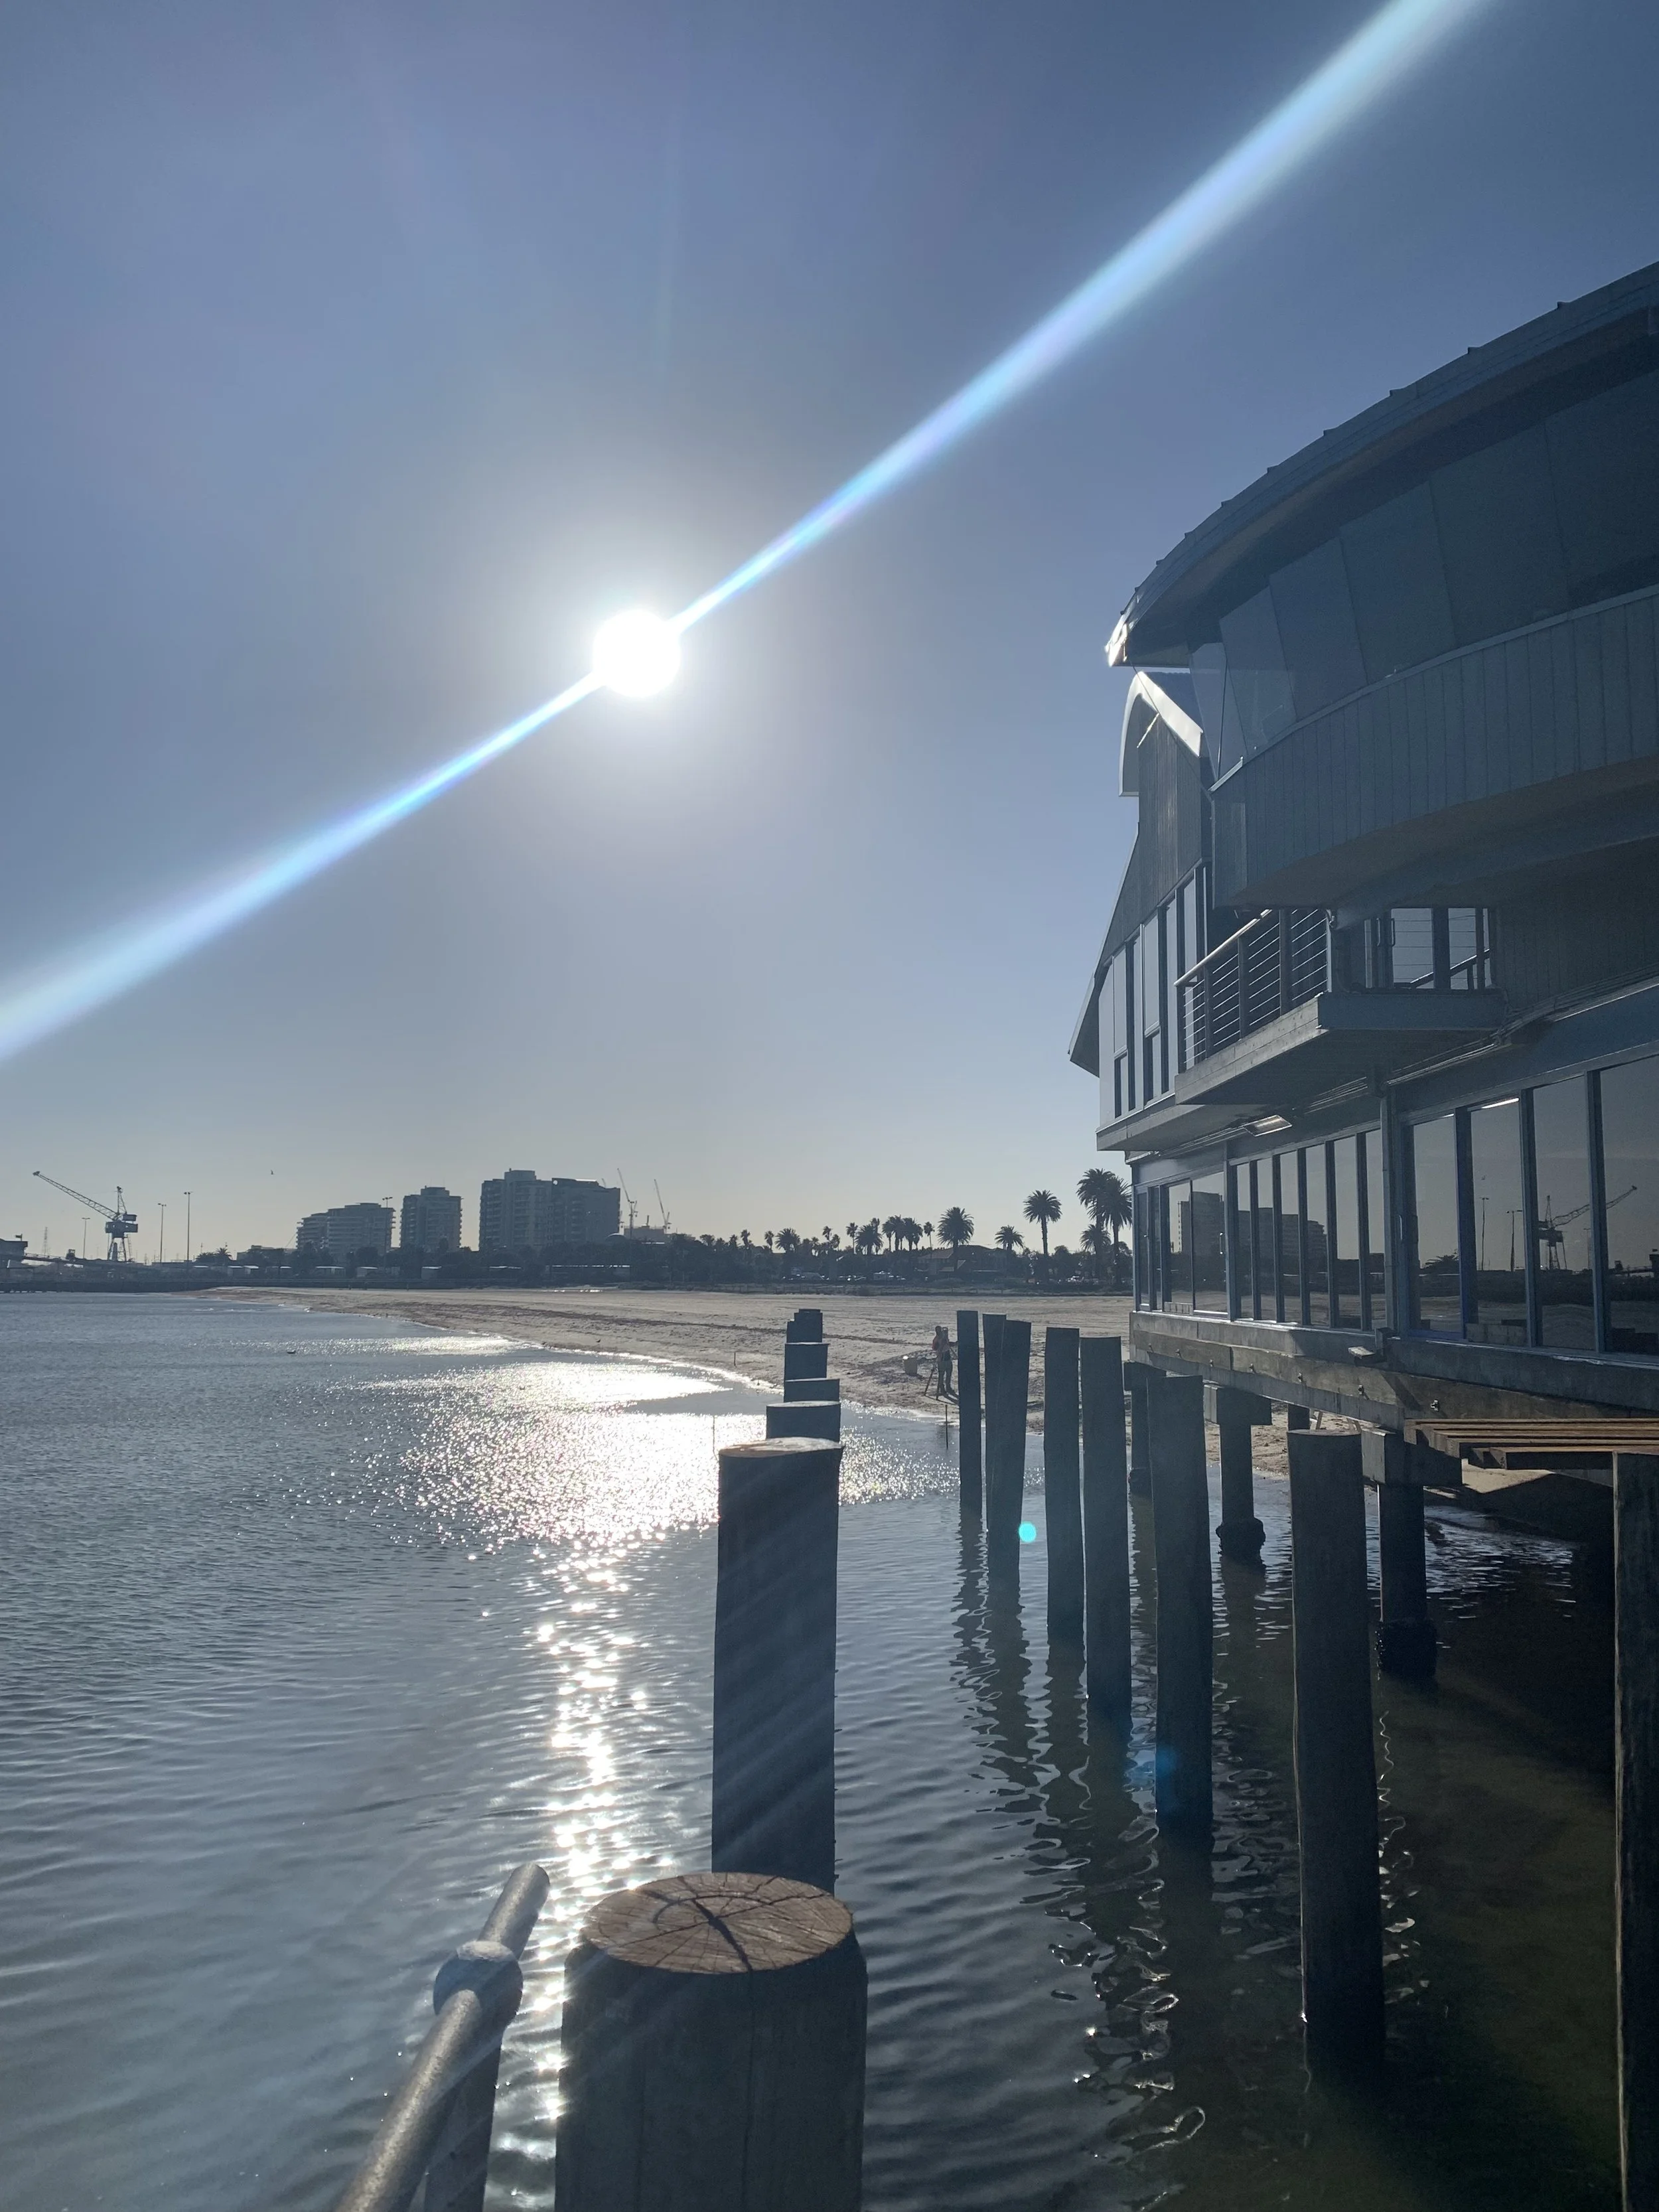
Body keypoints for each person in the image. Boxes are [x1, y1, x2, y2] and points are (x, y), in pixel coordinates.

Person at [930, 1322, 955, 1402]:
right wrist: (942, 1344)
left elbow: (948, 1345)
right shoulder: (936, 1339)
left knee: (949, 1373)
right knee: (942, 1375)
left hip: (948, 1357)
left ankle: (948, 1387)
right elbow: (935, 1348)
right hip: (941, 1358)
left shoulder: (945, 1337)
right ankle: (942, 1389)